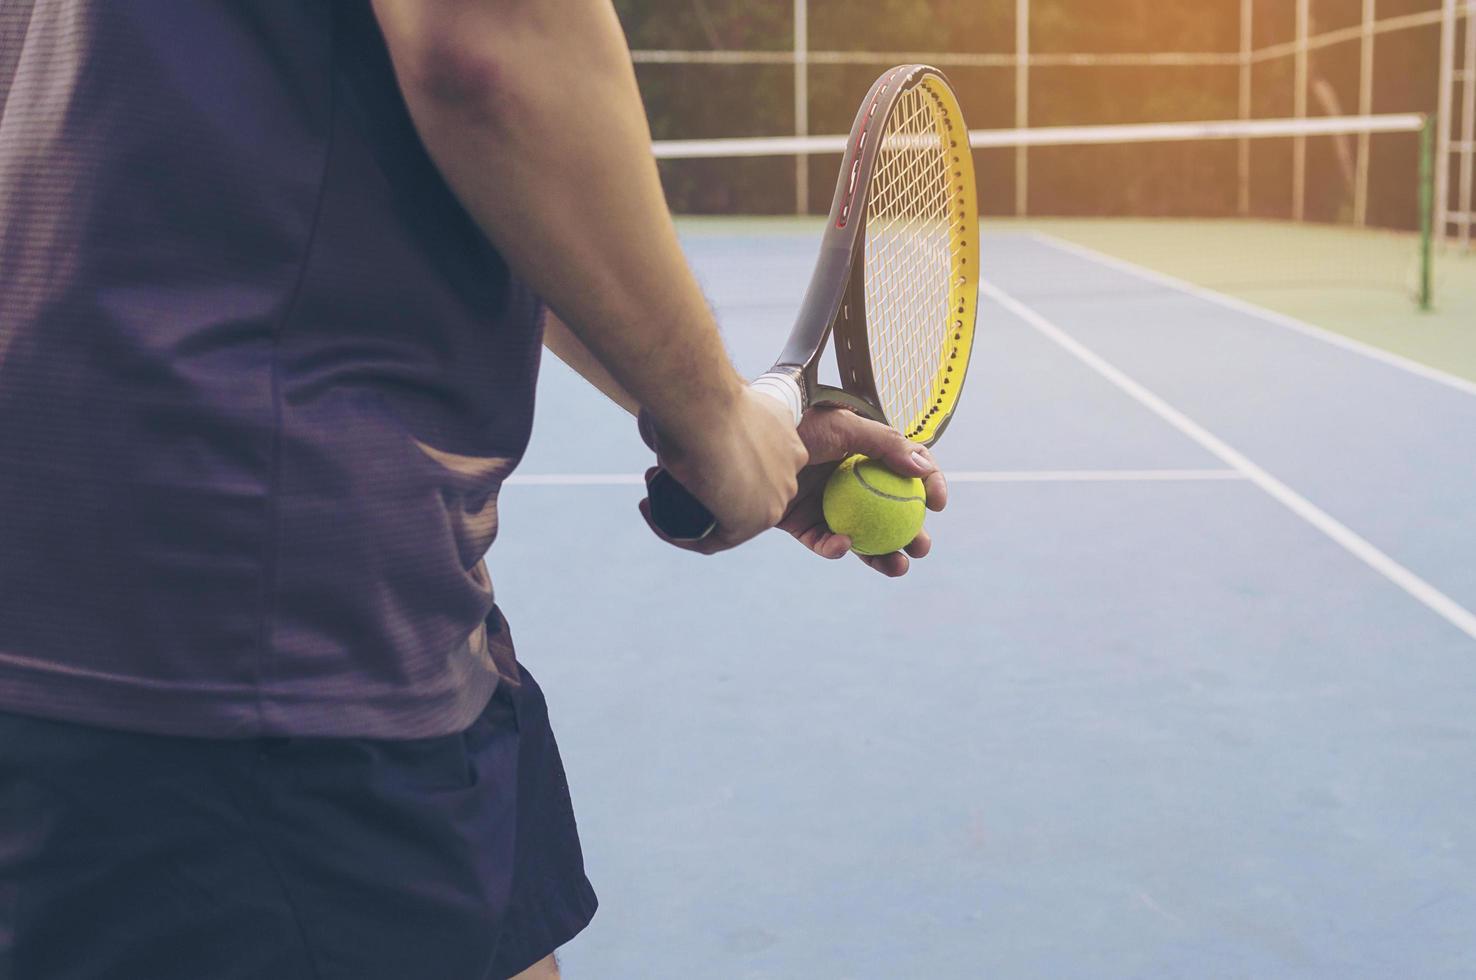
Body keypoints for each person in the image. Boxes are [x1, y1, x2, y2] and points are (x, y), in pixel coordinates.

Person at [0, 2, 947, 978]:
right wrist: (708, 419)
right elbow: (490, 43)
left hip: (215, 607)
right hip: (275, 637)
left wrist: (731, 418)